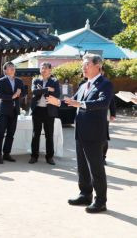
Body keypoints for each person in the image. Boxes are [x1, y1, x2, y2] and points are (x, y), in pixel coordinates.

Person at [47, 54, 113, 213]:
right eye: (83, 65)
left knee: (96, 168)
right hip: (81, 131)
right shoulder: (84, 85)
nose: (83, 68)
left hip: (95, 132)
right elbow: (72, 101)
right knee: (82, 166)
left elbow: (103, 103)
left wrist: (81, 103)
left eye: (86, 64)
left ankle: (101, 201)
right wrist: (59, 102)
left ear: (98, 66)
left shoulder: (105, 84)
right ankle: (85, 194)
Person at [29, 62, 60, 165]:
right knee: (35, 134)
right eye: (42, 68)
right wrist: (47, 89)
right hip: (37, 110)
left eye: (45, 68)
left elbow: (56, 94)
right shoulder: (36, 80)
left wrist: (42, 90)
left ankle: (49, 157)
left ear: (50, 70)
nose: (43, 70)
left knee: (49, 135)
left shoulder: (55, 81)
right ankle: (34, 156)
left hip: (49, 111)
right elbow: (34, 92)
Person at [0, 62, 24, 164]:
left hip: (15, 111)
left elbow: (24, 93)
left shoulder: (19, 81)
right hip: (3, 111)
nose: (12, 69)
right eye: (10, 68)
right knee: (0, 133)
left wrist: (21, 93)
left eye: (13, 68)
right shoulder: (1, 81)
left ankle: (7, 153)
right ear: (5, 70)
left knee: (11, 133)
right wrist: (12, 96)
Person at [100, 67, 116, 165]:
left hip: (104, 113)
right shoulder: (86, 82)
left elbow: (112, 100)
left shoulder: (106, 83)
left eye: (100, 70)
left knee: (104, 136)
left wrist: (113, 113)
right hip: (90, 116)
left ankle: (103, 157)